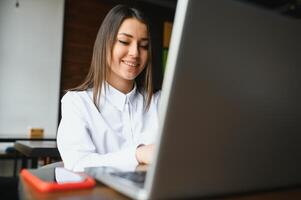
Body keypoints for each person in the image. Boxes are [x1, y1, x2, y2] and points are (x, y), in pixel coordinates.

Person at [57, 4, 160, 172]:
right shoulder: (77, 102)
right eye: (124, 41)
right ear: (105, 44)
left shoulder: (160, 102)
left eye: (143, 45)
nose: (135, 52)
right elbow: (77, 163)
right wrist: (137, 154)